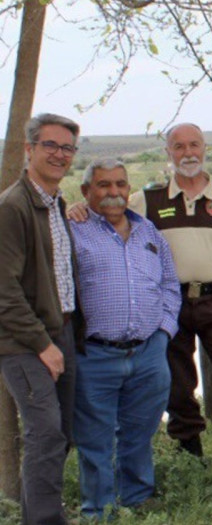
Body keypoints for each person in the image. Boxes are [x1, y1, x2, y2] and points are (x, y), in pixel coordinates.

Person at [107, 123, 212, 470]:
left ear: (205, 148)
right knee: (176, 386)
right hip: (168, 307)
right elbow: (110, 221)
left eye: (194, 145)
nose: (187, 153)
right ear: (168, 153)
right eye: (178, 147)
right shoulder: (147, 199)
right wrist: (79, 211)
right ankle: (190, 453)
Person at [70, 159, 181, 518]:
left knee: (139, 432)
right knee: (95, 440)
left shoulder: (149, 232)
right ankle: (98, 509)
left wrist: (164, 333)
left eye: (120, 184)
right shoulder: (75, 231)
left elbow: (169, 285)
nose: (114, 193)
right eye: (104, 185)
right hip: (96, 354)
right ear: (87, 192)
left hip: (148, 352)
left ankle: (136, 497)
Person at [0, 113, 82, 525]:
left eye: (67, 148)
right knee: (45, 433)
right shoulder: (12, 206)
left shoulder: (54, 203)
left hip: (60, 332)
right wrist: (43, 345)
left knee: (59, 434)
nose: (60, 154)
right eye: (50, 145)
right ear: (29, 149)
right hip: (26, 342)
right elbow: (4, 290)